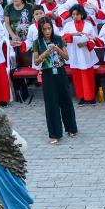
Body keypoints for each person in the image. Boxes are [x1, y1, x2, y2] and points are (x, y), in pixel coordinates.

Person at [32, 16, 78, 144]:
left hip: (60, 72)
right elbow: (36, 62)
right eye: (44, 29)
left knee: (66, 101)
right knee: (51, 104)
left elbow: (67, 57)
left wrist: (57, 49)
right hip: (48, 74)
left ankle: (71, 128)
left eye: (49, 28)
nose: (47, 31)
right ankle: (54, 134)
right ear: (41, 30)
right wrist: (46, 53)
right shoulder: (37, 43)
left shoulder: (58, 39)